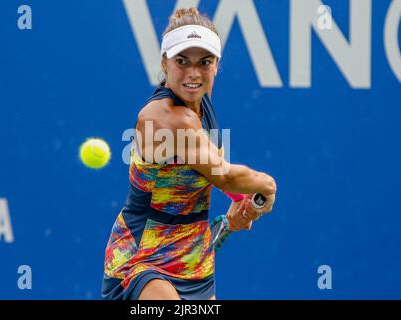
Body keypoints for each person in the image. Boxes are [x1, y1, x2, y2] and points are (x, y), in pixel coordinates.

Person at [102, 7, 277, 300]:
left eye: (204, 62)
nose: (193, 73)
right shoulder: (164, 117)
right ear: (164, 63)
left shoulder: (201, 107)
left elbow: (208, 170)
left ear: (217, 65)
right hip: (140, 265)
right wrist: (266, 185)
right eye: (182, 61)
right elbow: (225, 176)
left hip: (196, 267)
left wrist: (238, 209)